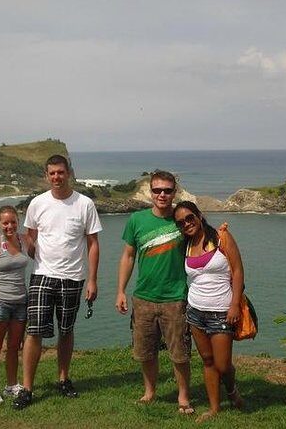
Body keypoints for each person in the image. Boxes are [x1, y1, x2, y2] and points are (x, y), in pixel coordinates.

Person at [13, 154, 102, 410]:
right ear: (46, 175)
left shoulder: (84, 204)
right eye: (52, 173)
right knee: (34, 331)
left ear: (69, 173)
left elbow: (93, 244)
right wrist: (28, 248)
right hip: (42, 275)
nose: (56, 177)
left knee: (66, 330)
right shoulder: (37, 203)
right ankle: (27, 388)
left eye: (60, 172)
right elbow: (31, 238)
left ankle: (63, 379)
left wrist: (92, 280)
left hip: (73, 278)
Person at [115, 170, 193, 415]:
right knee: (145, 352)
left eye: (167, 191)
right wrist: (120, 291)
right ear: (150, 191)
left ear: (174, 192)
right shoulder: (136, 220)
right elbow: (128, 256)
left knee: (179, 354)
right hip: (144, 298)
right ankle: (149, 392)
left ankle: (183, 397)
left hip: (175, 298)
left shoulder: (182, 220)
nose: (162, 195)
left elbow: (203, 239)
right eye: (157, 190)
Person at [173, 201, 244, 423]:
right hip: (195, 311)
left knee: (222, 364)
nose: (187, 224)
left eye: (190, 218)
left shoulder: (222, 238)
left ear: (199, 215)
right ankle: (214, 408)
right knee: (207, 361)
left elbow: (238, 270)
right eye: (181, 222)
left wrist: (234, 304)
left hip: (221, 311)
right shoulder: (185, 245)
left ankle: (231, 390)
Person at [0, 205, 34, 405]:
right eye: (5, 223)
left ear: (18, 221)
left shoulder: (24, 240)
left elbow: (42, 250)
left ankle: (12, 384)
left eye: (13, 222)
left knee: (13, 346)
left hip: (21, 302)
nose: (9, 226)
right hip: (0, 302)